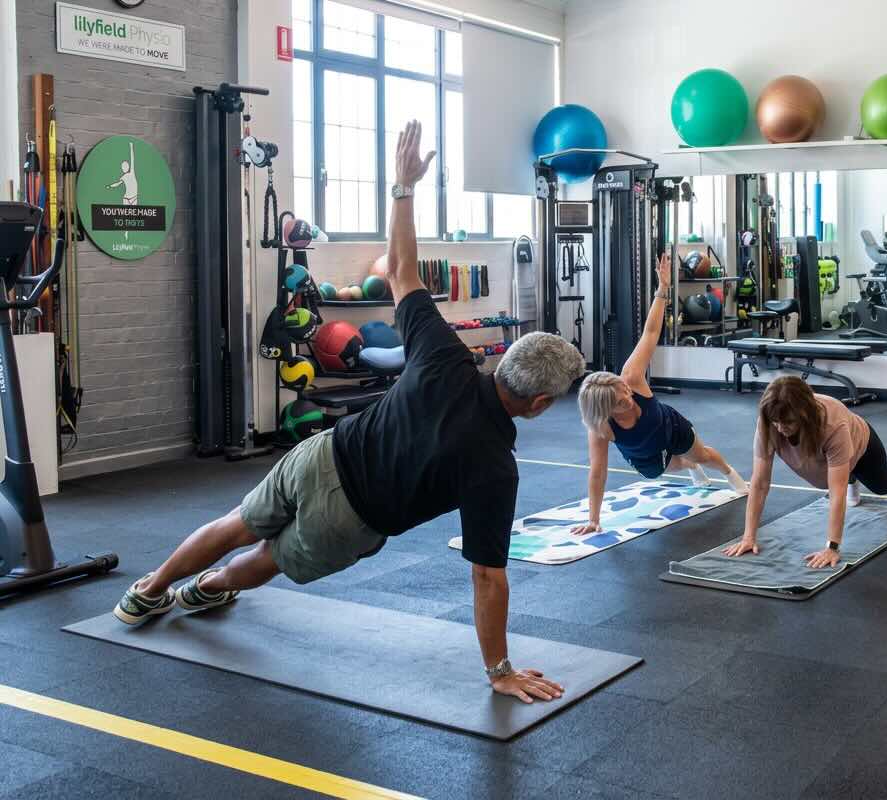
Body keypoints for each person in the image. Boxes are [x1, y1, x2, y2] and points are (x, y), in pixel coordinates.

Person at [113, 121, 585, 705]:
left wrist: (403, 188)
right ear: (539, 404)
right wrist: (501, 669)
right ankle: (206, 588)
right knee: (264, 557)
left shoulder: (443, 354)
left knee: (236, 521)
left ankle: (148, 590)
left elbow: (403, 271)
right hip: (350, 519)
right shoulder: (496, 466)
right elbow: (487, 576)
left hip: (322, 455)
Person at [572, 258, 748, 535]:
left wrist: (662, 289)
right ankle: (688, 465)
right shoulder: (599, 427)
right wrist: (594, 519)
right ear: (606, 412)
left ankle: (729, 473)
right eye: (621, 402)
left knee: (700, 454)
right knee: (667, 468)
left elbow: (651, 332)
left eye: (626, 392)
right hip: (641, 450)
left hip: (669, 425)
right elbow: (597, 472)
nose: (628, 398)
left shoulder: (630, 376)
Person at [723, 376, 887, 565]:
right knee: (835, 474)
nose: (780, 428)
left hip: (861, 447)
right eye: (776, 421)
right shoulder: (769, 422)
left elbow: (836, 493)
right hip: (831, 458)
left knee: (881, 486)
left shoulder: (833, 425)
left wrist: (832, 547)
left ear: (805, 416)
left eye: (788, 422)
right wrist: (748, 536)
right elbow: (759, 482)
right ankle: (850, 477)